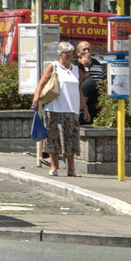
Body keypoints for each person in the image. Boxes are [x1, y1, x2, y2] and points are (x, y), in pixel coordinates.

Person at [33, 41, 82, 176]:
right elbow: (41, 83)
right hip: (54, 107)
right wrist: (35, 100)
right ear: (60, 54)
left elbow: (78, 89)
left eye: (71, 52)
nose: (69, 55)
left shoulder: (76, 69)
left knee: (71, 139)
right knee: (53, 138)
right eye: (66, 53)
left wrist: (84, 107)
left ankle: (71, 169)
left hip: (72, 109)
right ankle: (54, 167)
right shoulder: (53, 66)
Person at [75, 41, 106, 125]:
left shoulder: (97, 64)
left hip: (97, 103)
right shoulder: (75, 65)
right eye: (84, 49)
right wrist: (83, 65)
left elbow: (104, 80)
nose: (87, 52)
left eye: (89, 49)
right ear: (78, 52)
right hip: (83, 102)